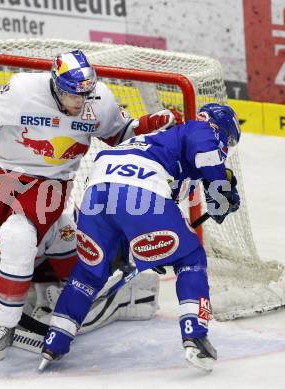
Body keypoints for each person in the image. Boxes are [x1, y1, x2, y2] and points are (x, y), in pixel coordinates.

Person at [0, 49, 180, 357]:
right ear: (55, 85)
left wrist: (150, 124)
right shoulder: (23, 90)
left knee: (19, 238)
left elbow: (120, 133)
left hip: (50, 185)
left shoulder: (99, 100)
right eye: (71, 95)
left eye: (84, 95)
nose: (79, 103)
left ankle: (3, 325)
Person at [39, 103, 241, 373]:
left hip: (96, 193)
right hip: (139, 191)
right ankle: (195, 335)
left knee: (89, 272)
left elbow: (146, 204)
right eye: (226, 141)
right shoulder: (201, 128)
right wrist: (219, 191)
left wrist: (136, 242)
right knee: (191, 257)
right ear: (220, 128)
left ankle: (55, 340)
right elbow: (205, 150)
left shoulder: (158, 140)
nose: (224, 147)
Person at [0, 185, 159, 359]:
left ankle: (118, 301)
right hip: (15, 263)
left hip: (53, 259)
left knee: (64, 317)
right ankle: (32, 296)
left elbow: (74, 279)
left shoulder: (58, 219)